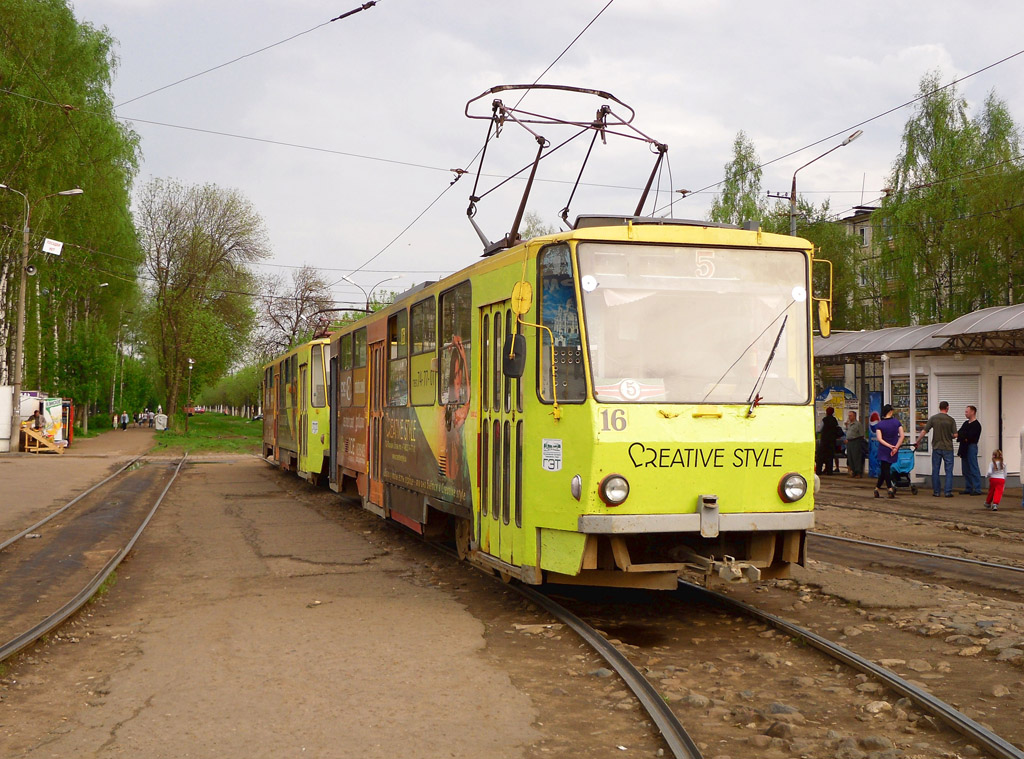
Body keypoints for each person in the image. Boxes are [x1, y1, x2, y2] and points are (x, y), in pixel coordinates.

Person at [918, 400, 957, 498]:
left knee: (935, 470)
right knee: (948, 470)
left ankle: (936, 491)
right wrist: (950, 436)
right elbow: (955, 435)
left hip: (936, 447)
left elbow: (924, 431)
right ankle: (947, 492)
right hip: (948, 447)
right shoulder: (951, 420)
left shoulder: (933, 419)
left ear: (939, 407)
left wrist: (917, 441)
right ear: (947, 408)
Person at [874, 404, 905, 499]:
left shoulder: (880, 424)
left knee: (885, 469)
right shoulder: (896, 422)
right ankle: (881, 488)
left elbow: (879, 438)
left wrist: (889, 446)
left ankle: (885, 488)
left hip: (884, 449)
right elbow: (902, 436)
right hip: (894, 448)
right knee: (885, 468)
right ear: (890, 412)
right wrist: (896, 447)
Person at [957, 405, 982, 495]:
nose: (965, 413)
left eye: (967, 412)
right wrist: (964, 437)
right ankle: (968, 487)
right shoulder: (965, 423)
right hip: (964, 447)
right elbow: (960, 433)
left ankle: (977, 488)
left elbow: (970, 437)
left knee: (973, 467)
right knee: (965, 469)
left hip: (971, 447)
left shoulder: (977, 425)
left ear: (972, 412)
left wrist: (963, 436)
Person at [816, 407, 844, 476]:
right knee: (830, 457)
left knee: (820, 456)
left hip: (824, 441)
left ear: (826, 412)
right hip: (832, 441)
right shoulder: (834, 420)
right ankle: (829, 471)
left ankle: (819, 471)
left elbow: (819, 430)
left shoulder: (824, 420)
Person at [845, 410, 866, 477]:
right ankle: (853, 471)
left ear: (854, 416)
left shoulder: (858, 424)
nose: (849, 417)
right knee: (850, 457)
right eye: (849, 416)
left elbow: (861, 434)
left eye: (850, 416)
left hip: (856, 442)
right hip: (849, 442)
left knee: (856, 457)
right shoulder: (849, 424)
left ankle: (858, 472)